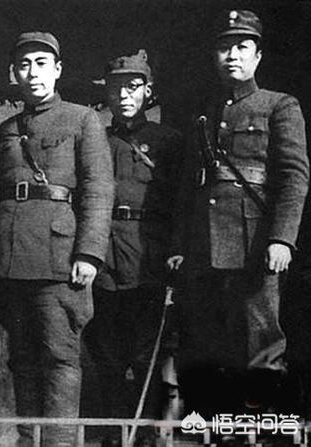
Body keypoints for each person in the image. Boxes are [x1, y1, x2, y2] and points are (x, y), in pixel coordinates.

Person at [175, 10, 309, 416]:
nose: (232, 55)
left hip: (254, 246)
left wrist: (281, 239)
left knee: (261, 345)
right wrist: (180, 246)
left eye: (242, 46)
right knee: (210, 346)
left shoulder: (279, 105)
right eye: (224, 48)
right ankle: (222, 430)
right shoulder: (205, 113)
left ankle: (262, 432)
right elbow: (190, 187)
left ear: (258, 55)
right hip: (204, 248)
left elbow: (294, 178)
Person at [0, 32, 115, 446]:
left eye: (42, 63)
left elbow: (98, 189)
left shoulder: (83, 120)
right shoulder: (5, 130)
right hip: (11, 259)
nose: (33, 73)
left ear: (58, 70)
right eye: (24, 65)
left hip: (60, 258)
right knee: (22, 359)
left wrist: (89, 254)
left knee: (60, 358)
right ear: (14, 73)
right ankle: (29, 440)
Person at [83, 49, 184, 431]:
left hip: (148, 259)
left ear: (148, 91)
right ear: (106, 93)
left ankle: (146, 437)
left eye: (133, 86)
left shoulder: (169, 141)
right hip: (104, 259)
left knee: (147, 357)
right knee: (105, 356)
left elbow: (181, 203)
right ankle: (113, 435)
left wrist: (176, 251)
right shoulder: (95, 140)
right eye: (116, 88)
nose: (124, 95)